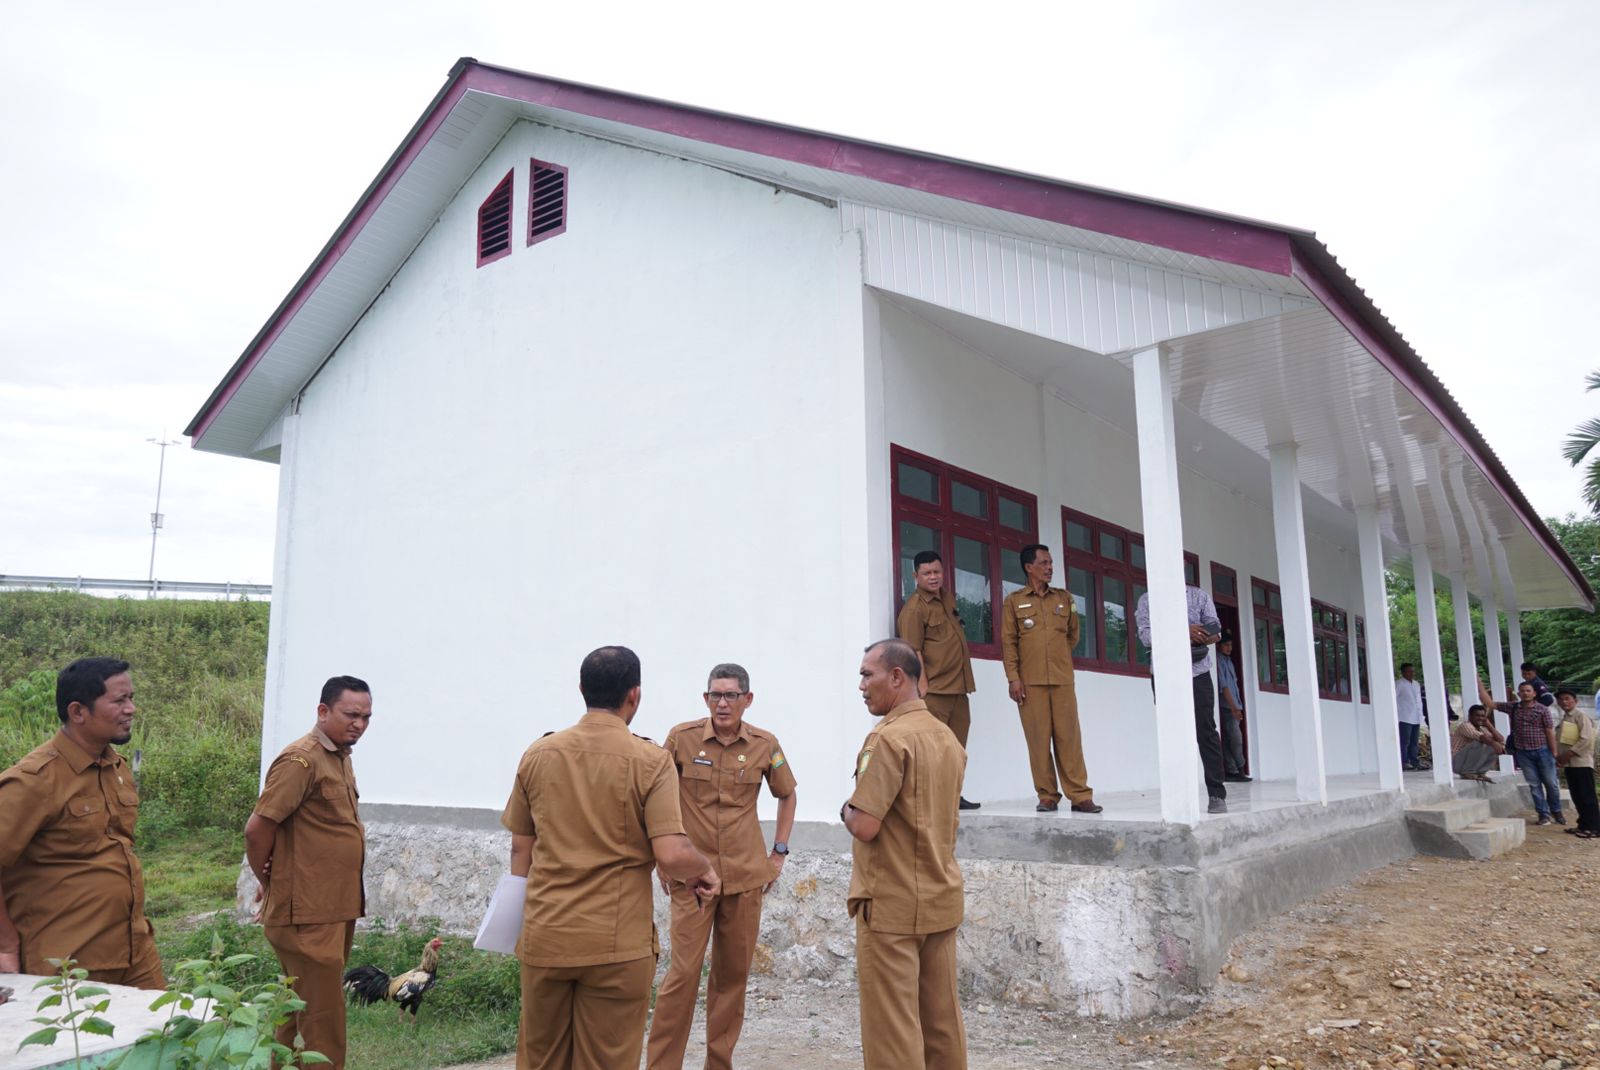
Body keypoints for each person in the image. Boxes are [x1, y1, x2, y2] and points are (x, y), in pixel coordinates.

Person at [503, 646, 719, 1070]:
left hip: (547, 935)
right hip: (616, 943)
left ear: (581, 689)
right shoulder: (650, 760)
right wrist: (704, 869)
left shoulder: (539, 754)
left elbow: (519, 849)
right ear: (634, 696)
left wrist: (522, 921)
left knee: (540, 1059)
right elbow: (672, 853)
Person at [647, 663, 798, 1070]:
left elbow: (788, 794)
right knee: (682, 976)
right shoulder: (681, 738)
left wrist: (778, 852)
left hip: (746, 878)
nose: (723, 703)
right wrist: (663, 855)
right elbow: (654, 796)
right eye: (716, 695)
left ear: (748, 700)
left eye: (731, 695)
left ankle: (719, 1063)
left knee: (732, 980)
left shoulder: (766, 744)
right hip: (692, 878)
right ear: (705, 699)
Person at [842, 639, 967, 1070]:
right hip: (939, 897)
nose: (861, 685)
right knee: (942, 1025)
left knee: (893, 1033)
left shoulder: (889, 739)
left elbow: (865, 823)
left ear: (897, 677)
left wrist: (846, 807)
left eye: (866, 674)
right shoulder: (946, 737)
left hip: (893, 905)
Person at [0, 658, 163, 987]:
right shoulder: (34, 780)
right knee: (75, 1039)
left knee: (163, 1035)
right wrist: (5, 945)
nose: (131, 709)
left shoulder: (116, 767)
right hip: (68, 961)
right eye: (119, 701)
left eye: (131, 698)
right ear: (78, 712)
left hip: (134, 948)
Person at [244, 675, 373, 1069]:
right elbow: (258, 828)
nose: (360, 724)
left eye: (367, 716)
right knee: (322, 1024)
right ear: (323, 711)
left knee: (295, 1014)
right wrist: (270, 881)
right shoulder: (301, 760)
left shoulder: (338, 756)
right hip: (307, 914)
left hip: (330, 908)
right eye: (351, 714)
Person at [1000, 544, 1100, 813]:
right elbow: (1009, 643)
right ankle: (1047, 795)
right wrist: (1013, 678)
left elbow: (1072, 636)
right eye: (1043, 563)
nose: (1049, 568)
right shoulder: (1013, 602)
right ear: (1028, 567)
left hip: (1062, 678)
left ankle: (1080, 795)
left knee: (1069, 737)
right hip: (1029, 682)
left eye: (1051, 563)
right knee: (1038, 739)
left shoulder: (1064, 598)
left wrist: (1058, 658)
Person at [896, 550, 981, 810]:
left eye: (937, 572)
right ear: (915, 576)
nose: (933, 577)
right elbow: (913, 650)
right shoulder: (914, 609)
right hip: (935, 691)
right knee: (932, 751)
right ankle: (928, 802)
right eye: (927, 573)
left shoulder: (947, 600)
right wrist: (921, 685)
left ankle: (953, 796)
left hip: (958, 689)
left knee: (956, 750)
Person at [1134, 581, 1229, 814]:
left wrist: (1201, 634)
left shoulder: (1199, 596)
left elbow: (1215, 629)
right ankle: (1177, 796)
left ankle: (1217, 794)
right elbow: (1146, 637)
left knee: (1206, 732)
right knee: (1171, 734)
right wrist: (1185, 632)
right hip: (1165, 675)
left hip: (1198, 673)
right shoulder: (1147, 600)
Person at [1478, 677, 1564, 826]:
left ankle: (1556, 810)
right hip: (1523, 753)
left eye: (1528, 691)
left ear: (1534, 693)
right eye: (1522, 691)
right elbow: (1490, 703)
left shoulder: (1542, 710)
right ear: (1518, 694)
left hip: (1543, 750)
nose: (1525, 693)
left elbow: (1549, 731)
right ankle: (1543, 814)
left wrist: (1554, 752)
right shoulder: (1513, 707)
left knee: (1551, 784)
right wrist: (1479, 682)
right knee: (1534, 785)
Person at [1552, 688, 1600, 839]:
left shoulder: (1581, 716)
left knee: (1587, 796)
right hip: (1569, 764)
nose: (1564, 702)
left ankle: (1594, 828)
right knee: (1577, 796)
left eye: (1567, 699)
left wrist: (1569, 754)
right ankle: (1583, 824)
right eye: (1561, 699)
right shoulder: (1565, 718)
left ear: (1575, 701)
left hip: (1581, 762)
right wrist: (1561, 758)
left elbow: (1586, 739)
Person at [1215, 633, 1250, 783]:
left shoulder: (1229, 661)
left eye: (1230, 645)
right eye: (1226, 645)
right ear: (1219, 645)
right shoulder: (1218, 661)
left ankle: (1233, 770)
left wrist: (1238, 705)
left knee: (1232, 739)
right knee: (1236, 739)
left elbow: (1234, 685)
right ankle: (1239, 769)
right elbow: (1224, 687)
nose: (1229, 648)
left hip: (1235, 705)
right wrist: (1233, 707)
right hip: (1227, 706)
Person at [1450, 704, 1505, 781]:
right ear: (1470, 716)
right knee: (1481, 742)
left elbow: (1500, 739)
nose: (1480, 718)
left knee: (1495, 744)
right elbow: (1480, 737)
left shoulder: (1481, 729)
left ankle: (1480, 773)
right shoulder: (1465, 726)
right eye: (1477, 716)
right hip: (1456, 763)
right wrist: (1493, 743)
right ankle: (1467, 772)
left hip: (1467, 763)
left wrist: (1489, 725)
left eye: (1483, 716)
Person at [1395, 664, 1424, 771]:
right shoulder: (1399, 684)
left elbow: (1418, 700)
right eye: (1409, 671)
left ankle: (1414, 761)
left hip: (1416, 716)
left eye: (1413, 671)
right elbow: (1393, 698)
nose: (1412, 673)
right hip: (1404, 716)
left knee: (1414, 742)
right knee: (1404, 741)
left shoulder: (1416, 684)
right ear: (1403, 672)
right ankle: (1404, 761)